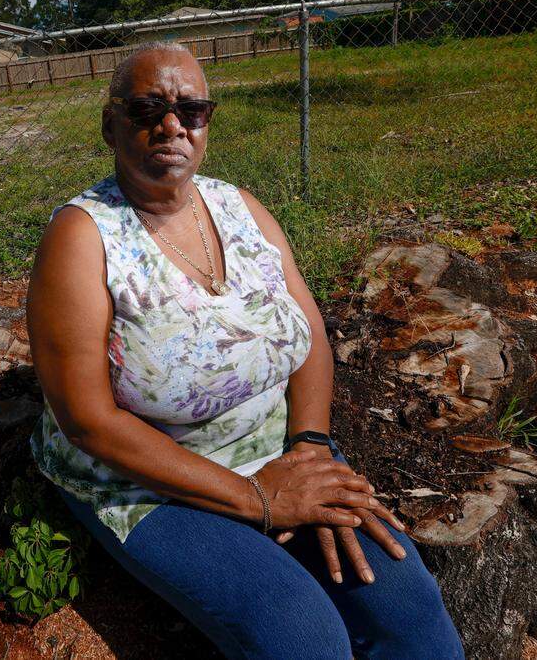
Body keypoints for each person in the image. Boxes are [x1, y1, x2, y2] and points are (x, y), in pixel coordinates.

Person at [25, 42, 465, 660]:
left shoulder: (239, 206)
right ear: (110, 124)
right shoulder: (82, 237)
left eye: (191, 109)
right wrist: (259, 500)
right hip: (149, 479)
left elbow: (307, 338)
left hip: (279, 450)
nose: (171, 125)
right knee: (301, 636)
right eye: (147, 108)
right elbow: (87, 420)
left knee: (406, 605)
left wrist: (309, 447)